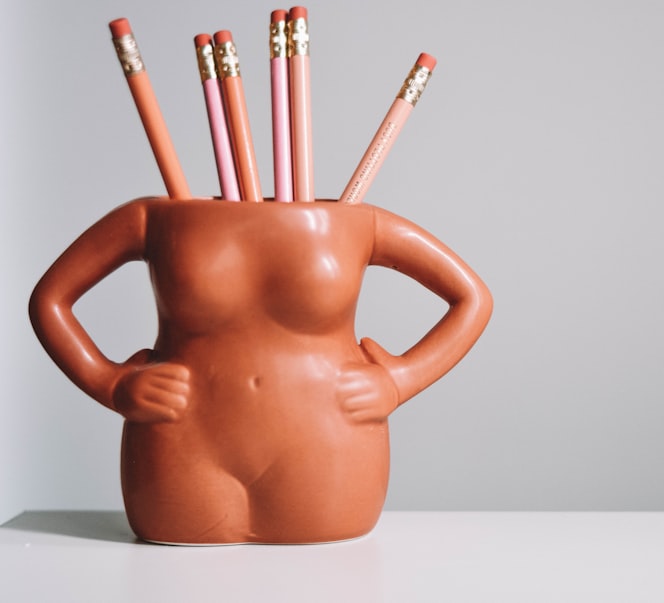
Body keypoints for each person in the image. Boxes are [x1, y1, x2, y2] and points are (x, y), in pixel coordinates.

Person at [29, 197, 492, 544]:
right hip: (182, 446)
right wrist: (108, 382)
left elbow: (472, 298)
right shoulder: (151, 218)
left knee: (329, 578)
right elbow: (51, 300)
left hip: (329, 451)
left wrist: (398, 380)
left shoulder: (360, 221)